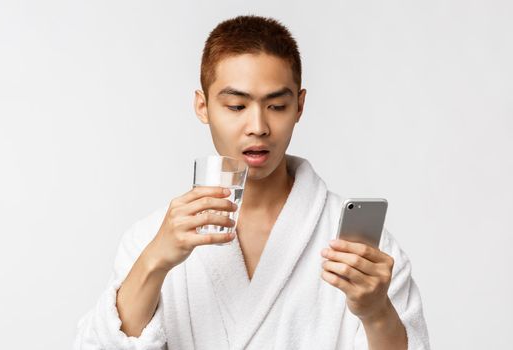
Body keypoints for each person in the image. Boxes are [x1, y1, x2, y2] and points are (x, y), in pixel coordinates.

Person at [74, 15, 430, 350]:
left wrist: (375, 311)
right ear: (203, 106)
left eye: (276, 106)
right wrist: (154, 262)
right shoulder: (148, 239)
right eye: (236, 106)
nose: (258, 126)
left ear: (299, 106)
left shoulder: (363, 251)